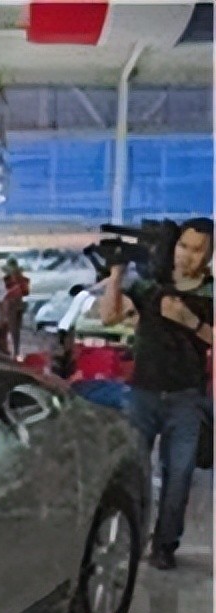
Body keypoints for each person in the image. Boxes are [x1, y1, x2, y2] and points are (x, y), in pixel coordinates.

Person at [101, 216, 214, 570]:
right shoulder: (150, 285)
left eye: (198, 250)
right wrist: (116, 275)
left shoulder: (209, 292)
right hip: (143, 393)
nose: (188, 256)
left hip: (186, 397)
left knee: (178, 475)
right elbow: (109, 317)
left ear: (208, 256)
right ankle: (126, 539)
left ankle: (164, 545)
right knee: (132, 470)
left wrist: (189, 321)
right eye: (183, 246)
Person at [1, 258, 30, 359]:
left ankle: (13, 351)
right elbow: (26, 292)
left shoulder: (6, 280)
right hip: (19, 305)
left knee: (11, 329)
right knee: (16, 330)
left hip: (10, 305)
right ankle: (16, 351)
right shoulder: (23, 279)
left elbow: (2, 294)